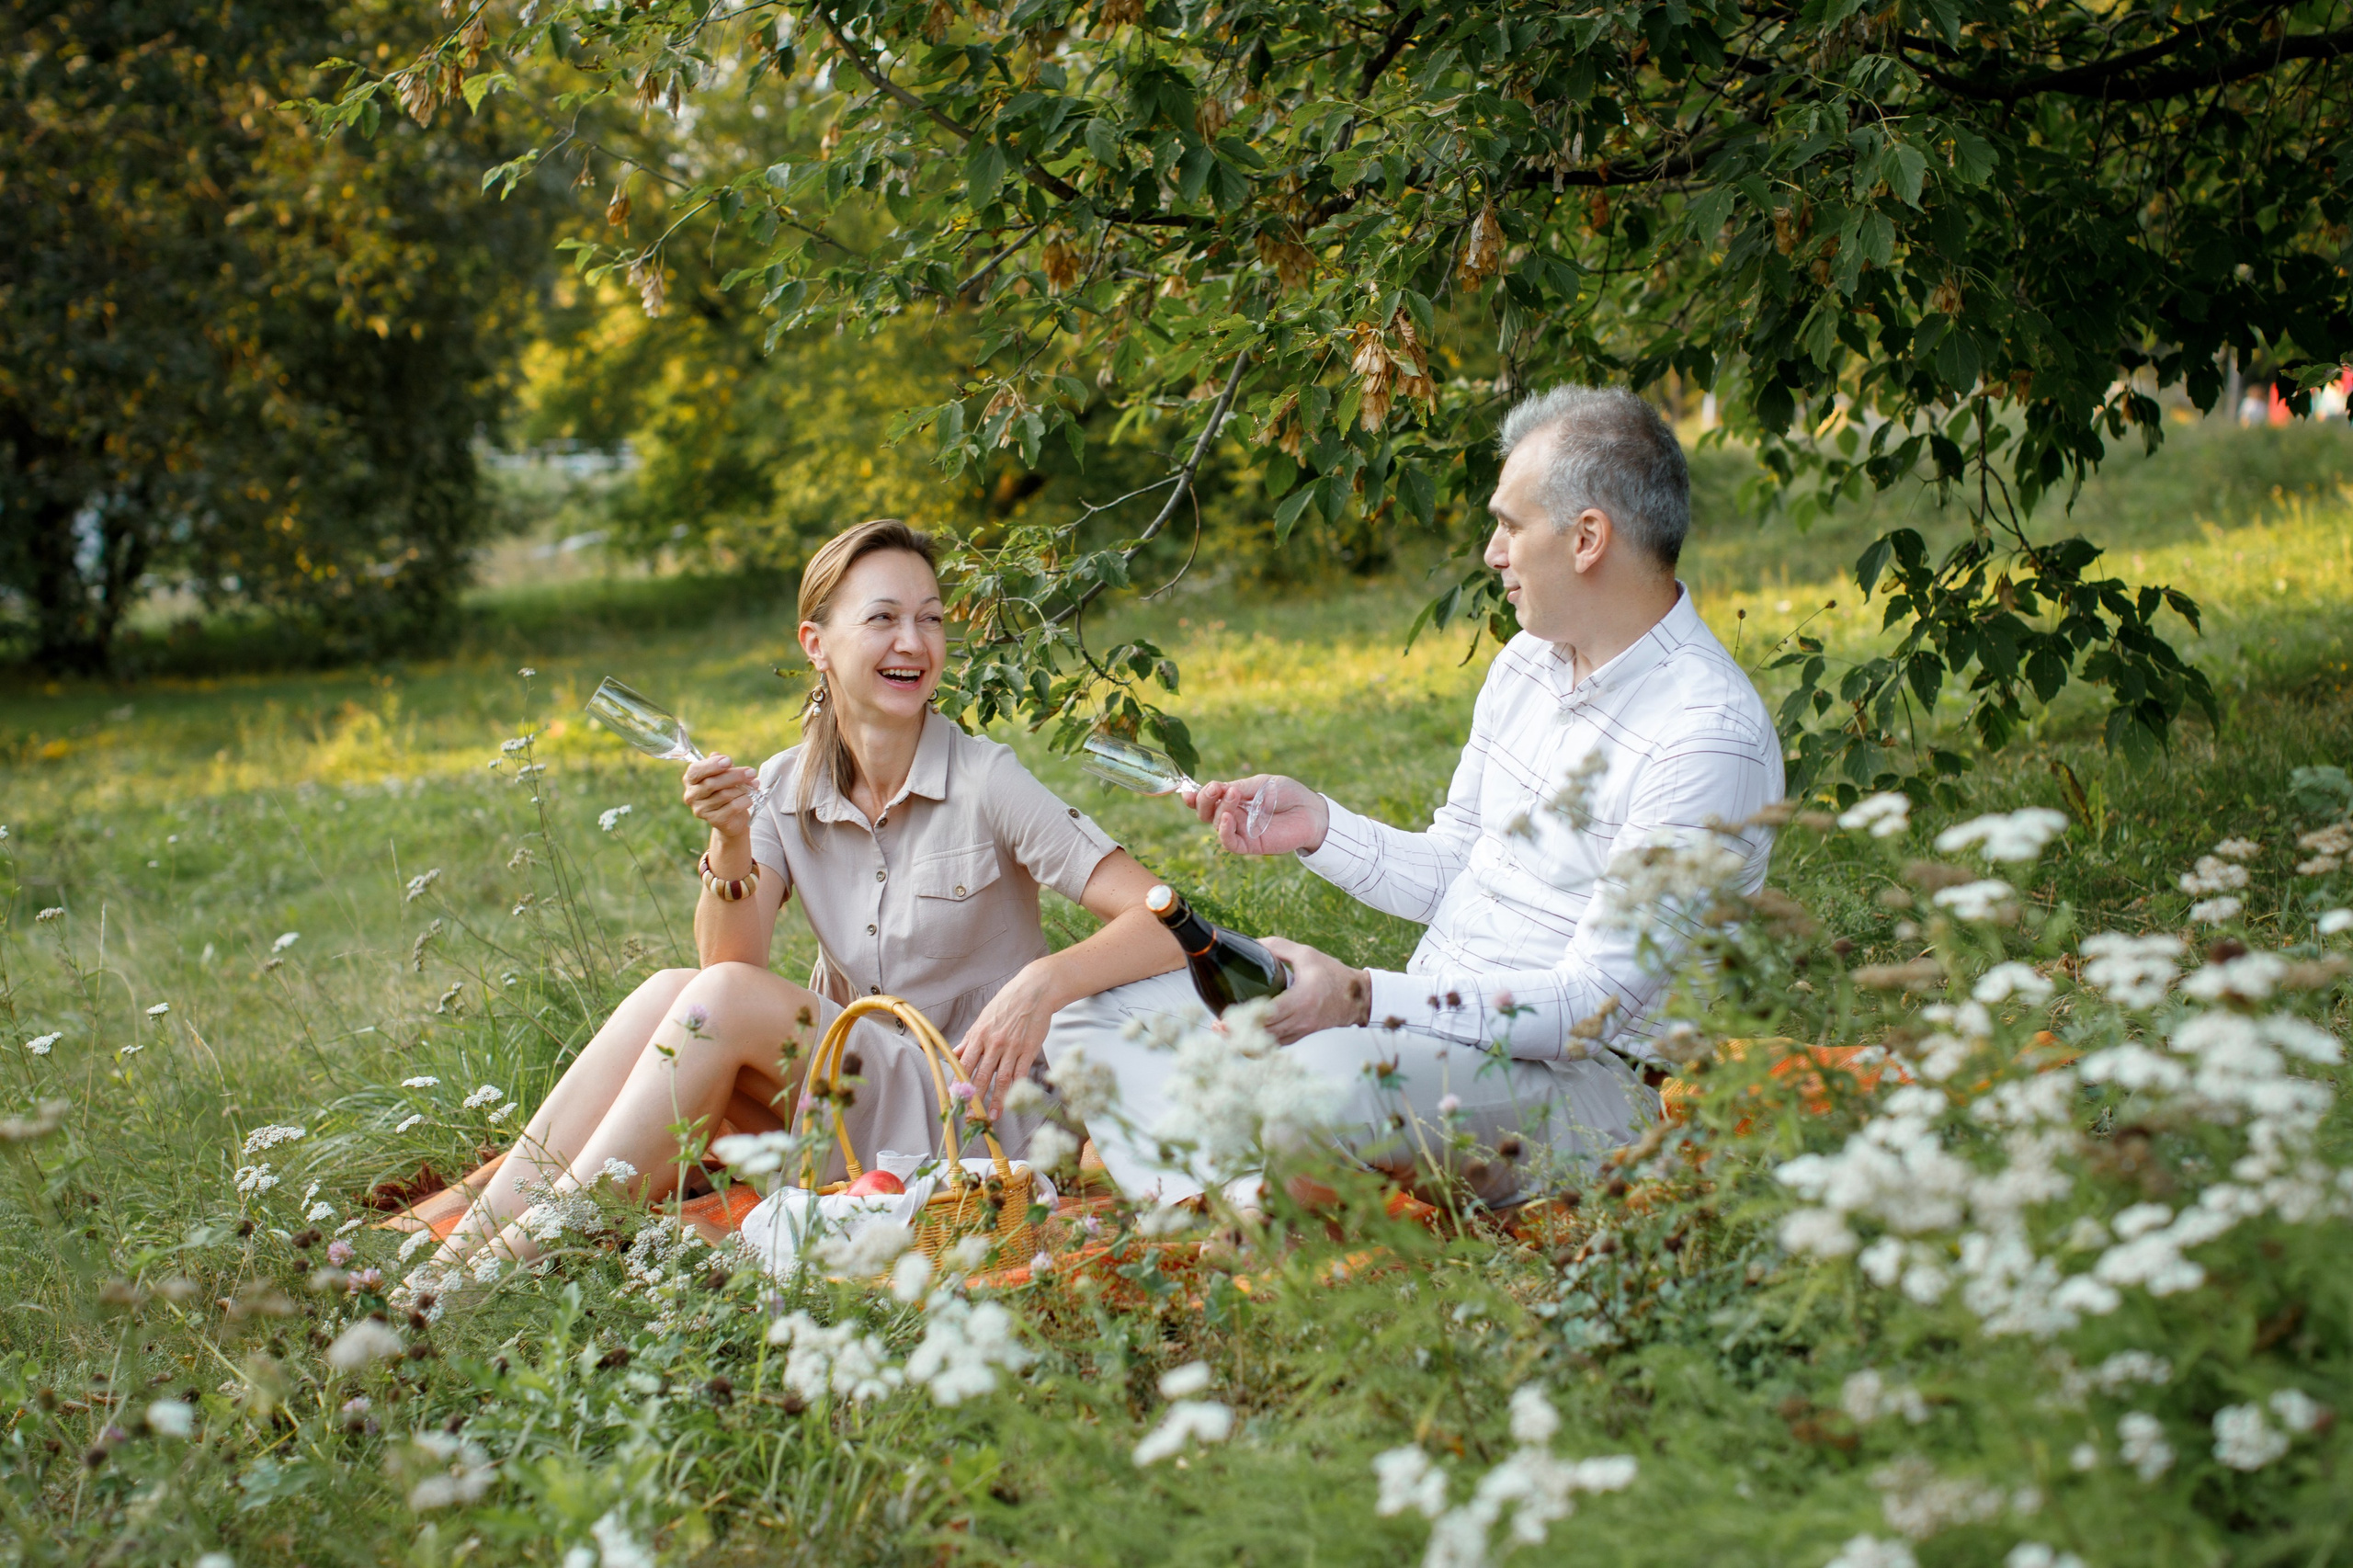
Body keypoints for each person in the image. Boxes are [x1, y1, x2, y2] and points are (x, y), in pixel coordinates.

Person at [1041, 385, 1785, 1208]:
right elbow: (1454, 869)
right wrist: (1318, 828)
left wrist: (1361, 998)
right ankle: (1238, 1197)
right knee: (1096, 1016)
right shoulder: (1528, 665)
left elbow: (1587, 1011)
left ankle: (1239, 1195)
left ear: (1586, 538)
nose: (1492, 551)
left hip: (1588, 1091)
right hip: (1423, 1033)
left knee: (1317, 1081)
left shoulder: (1703, 735)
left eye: (1508, 524)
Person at [424, 519, 1180, 1275]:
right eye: (882, 618)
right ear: (815, 644)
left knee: (706, 999)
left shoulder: (988, 780)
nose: (913, 643)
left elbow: (1167, 921)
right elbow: (731, 962)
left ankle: (492, 1270)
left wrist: (1043, 984)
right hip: (852, 1108)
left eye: (931, 619)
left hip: (978, 1125)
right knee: (671, 990)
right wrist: (729, 840)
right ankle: (460, 1255)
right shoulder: (784, 787)